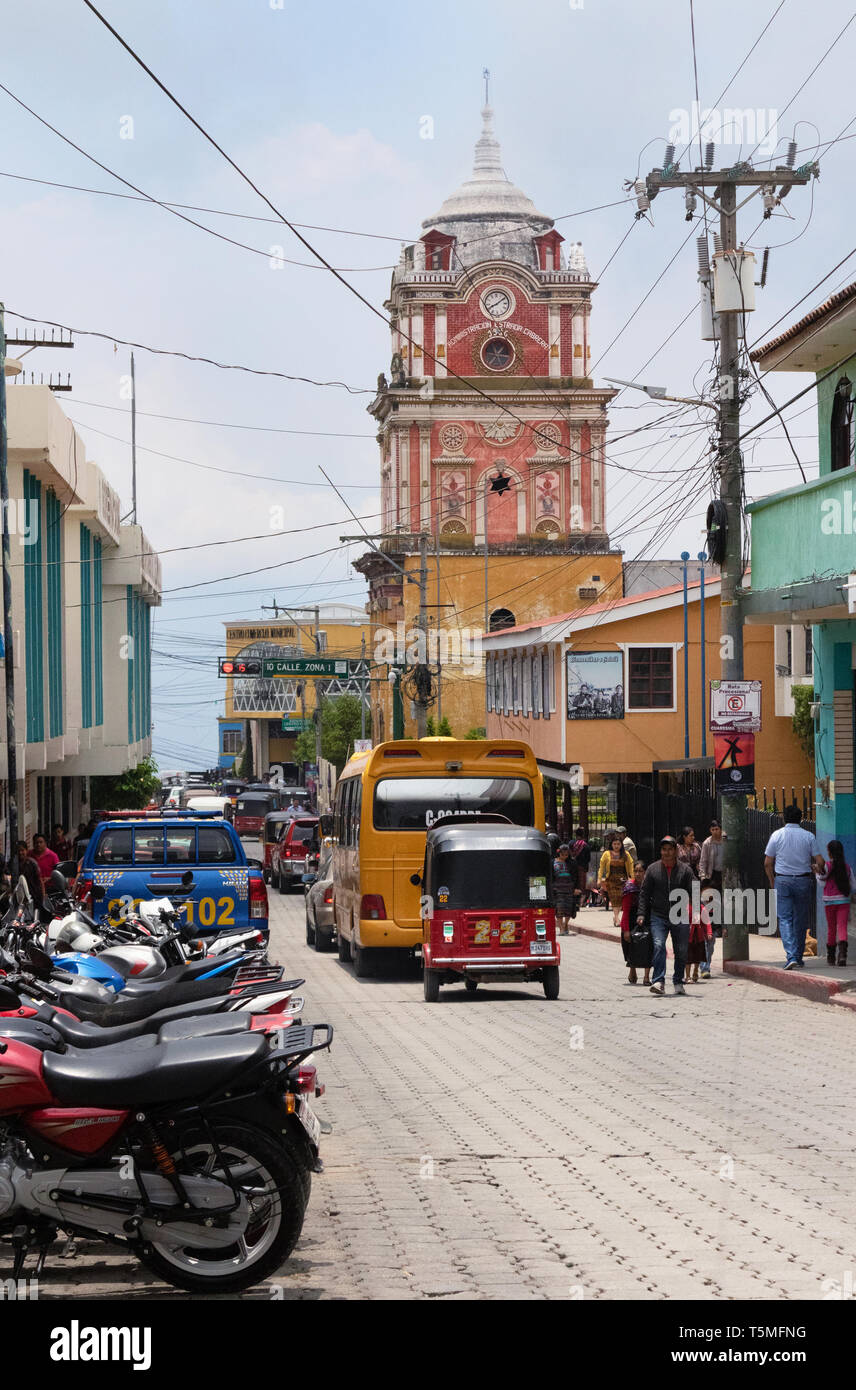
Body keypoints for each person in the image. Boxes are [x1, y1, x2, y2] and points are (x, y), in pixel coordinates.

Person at [764, 804, 824, 971]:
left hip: (782, 880)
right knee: (800, 919)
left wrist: (772, 881)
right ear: (801, 819)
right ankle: (797, 956)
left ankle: (791, 955)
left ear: (784, 818)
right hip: (803, 880)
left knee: (784, 918)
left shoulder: (777, 835)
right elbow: (820, 862)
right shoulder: (808, 836)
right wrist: (816, 869)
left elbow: (768, 863)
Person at [638, 836, 695, 996]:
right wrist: (641, 913)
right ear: (660, 851)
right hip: (658, 915)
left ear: (676, 851)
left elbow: (694, 890)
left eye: (670, 849)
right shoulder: (652, 869)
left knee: (681, 950)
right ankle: (659, 981)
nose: (667, 852)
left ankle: (678, 981)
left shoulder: (685, 870)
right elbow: (644, 893)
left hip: (679, 915)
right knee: (658, 945)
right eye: (664, 849)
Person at [817, 839, 855, 967]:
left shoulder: (827, 866)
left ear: (829, 852)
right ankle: (843, 955)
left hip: (829, 902)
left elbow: (822, 881)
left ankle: (831, 957)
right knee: (842, 927)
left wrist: (816, 872)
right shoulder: (847, 867)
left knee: (831, 928)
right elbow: (853, 885)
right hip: (844, 901)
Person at [620, 861, 650, 986]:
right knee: (630, 946)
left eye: (640, 871)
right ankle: (632, 969)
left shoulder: (650, 886)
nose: (638, 874)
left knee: (649, 948)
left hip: (648, 919)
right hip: (632, 919)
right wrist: (626, 930)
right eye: (635, 871)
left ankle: (647, 977)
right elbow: (625, 911)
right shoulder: (629, 888)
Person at [597, 833, 635, 928]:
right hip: (611, 880)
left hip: (623, 880)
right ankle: (617, 918)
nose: (616, 846)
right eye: (614, 844)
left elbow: (631, 865)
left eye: (618, 844)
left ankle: (616, 917)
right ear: (611, 844)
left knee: (621, 898)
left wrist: (632, 878)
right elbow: (601, 867)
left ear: (621, 845)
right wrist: (599, 879)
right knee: (614, 899)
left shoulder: (626, 854)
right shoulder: (606, 854)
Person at [552, 843, 576, 935]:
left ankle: (566, 924)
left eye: (567, 855)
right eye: (563, 854)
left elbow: (576, 876)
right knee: (559, 909)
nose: (565, 856)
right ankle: (561, 928)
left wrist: (576, 888)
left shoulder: (572, 863)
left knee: (568, 910)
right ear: (559, 853)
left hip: (569, 889)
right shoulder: (553, 862)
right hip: (557, 890)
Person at [571, 827, 591, 909]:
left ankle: (574, 902)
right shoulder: (585, 845)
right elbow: (588, 859)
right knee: (581, 886)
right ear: (583, 835)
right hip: (582, 868)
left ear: (575, 834)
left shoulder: (571, 843)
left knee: (574, 884)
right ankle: (580, 903)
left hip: (572, 868)